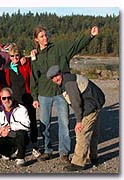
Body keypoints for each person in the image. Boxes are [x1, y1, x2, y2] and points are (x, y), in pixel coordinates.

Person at [30, 25, 99, 163]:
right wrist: (34, 96)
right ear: (36, 39)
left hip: (61, 92)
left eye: (46, 35)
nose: (45, 38)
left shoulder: (59, 49)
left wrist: (90, 36)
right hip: (44, 94)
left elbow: (76, 45)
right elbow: (34, 77)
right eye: (42, 36)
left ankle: (64, 152)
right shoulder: (35, 56)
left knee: (64, 123)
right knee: (45, 124)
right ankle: (48, 150)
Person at [46, 65, 105, 171]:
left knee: (81, 133)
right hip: (96, 103)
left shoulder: (69, 83)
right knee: (92, 133)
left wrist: (78, 121)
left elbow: (76, 103)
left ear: (61, 73)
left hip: (91, 106)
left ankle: (78, 163)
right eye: (52, 78)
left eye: (56, 76)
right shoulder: (69, 78)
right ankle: (93, 157)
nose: (55, 79)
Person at [4, 43, 40, 157]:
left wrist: (31, 56)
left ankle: (34, 145)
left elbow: (32, 72)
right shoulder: (7, 69)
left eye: (17, 56)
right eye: (12, 56)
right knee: (16, 124)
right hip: (15, 100)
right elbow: (7, 85)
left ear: (20, 55)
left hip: (28, 97)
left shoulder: (25, 64)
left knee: (32, 122)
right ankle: (17, 146)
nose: (15, 58)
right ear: (9, 57)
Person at [0, 87, 30, 166]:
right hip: (5, 137)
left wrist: (10, 127)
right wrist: (0, 133)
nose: (7, 100)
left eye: (9, 97)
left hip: (17, 136)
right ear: (1, 99)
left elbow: (26, 125)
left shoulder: (21, 109)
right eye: (4, 98)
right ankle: (8, 153)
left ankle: (20, 157)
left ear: (12, 97)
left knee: (21, 134)